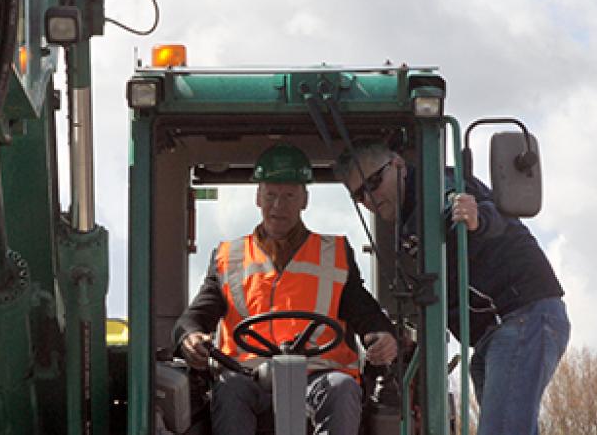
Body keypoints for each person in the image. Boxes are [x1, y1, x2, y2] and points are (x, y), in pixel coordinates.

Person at [336, 140, 568, 435]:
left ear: (398, 165)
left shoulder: (439, 186)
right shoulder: (407, 227)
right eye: (359, 195)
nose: (369, 198)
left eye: (373, 182)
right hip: (490, 335)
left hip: (522, 316)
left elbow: (475, 211)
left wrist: (475, 219)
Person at [174, 143, 397, 435]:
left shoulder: (335, 253)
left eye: (289, 195)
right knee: (228, 391)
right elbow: (194, 318)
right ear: (258, 197)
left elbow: (364, 311)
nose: (278, 206)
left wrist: (383, 336)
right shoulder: (229, 257)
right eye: (271, 195)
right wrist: (190, 338)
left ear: (304, 199)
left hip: (318, 378)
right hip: (249, 378)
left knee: (343, 388)